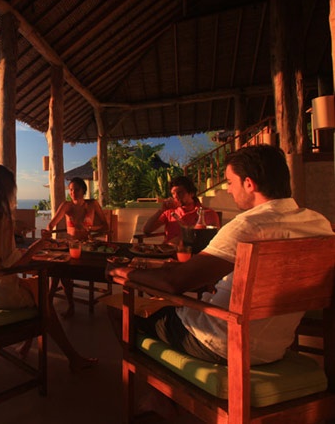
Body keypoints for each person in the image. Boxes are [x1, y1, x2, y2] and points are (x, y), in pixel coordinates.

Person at [109, 145, 334, 367]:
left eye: (230, 182)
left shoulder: (248, 225)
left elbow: (173, 283)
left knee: (118, 309)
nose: (228, 190)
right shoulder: (319, 224)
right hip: (275, 346)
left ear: (249, 184)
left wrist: (123, 272)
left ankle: (165, 387)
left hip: (221, 340)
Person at [0, 164, 97, 371]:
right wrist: (37, 247)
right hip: (0, 294)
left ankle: (29, 346)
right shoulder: (3, 218)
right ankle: (73, 358)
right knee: (42, 292)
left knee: (37, 289)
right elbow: (14, 265)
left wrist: (15, 241)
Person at [42, 177, 109, 317]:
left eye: (76, 189)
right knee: (59, 269)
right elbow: (51, 224)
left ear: (83, 190)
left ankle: (50, 301)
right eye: (71, 190)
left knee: (59, 271)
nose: (73, 193)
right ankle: (62, 303)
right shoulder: (67, 206)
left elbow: (105, 226)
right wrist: (48, 232)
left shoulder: (92, 204)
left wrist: (91, 228)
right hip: (70, 246)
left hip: (88, 247)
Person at [142, 175, 221, 244]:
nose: (176, 197)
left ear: (191, 193)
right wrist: (161, 210)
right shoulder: (169, 212)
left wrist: (179, 240)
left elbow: (213, 240)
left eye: (180, 193)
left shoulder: (207, 214)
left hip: (191, 252)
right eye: (173, 194)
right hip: (168, 251)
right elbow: (146, 230)